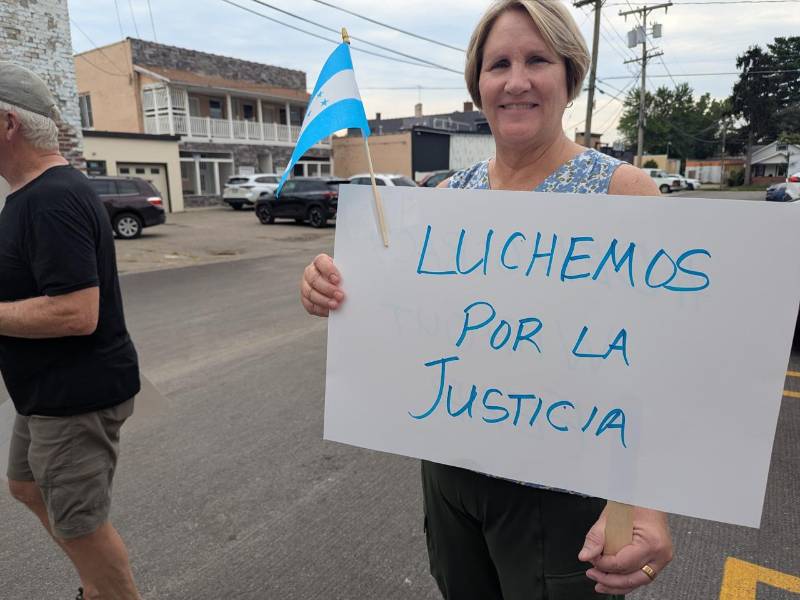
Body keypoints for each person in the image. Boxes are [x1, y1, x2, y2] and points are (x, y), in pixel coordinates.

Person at [301, 1, 673, 599]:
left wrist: (648, 504)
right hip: (451, 476)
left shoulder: (621, 190)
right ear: (477, 86)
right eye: (498, 63)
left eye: (537, 60)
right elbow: (406, 320)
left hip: (562, 490)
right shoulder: (448, 194)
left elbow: (662, 357)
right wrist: (330, 287)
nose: (517, 80)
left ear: (570, 77)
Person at [0, 63, 142, 600]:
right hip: (45, 393)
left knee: (82, 524)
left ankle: (107, 589)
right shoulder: (34, 195)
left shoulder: (52, 198)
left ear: (8, 123)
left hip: (74, 398)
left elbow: (76, 313)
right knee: (26, 485)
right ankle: (96, 581)